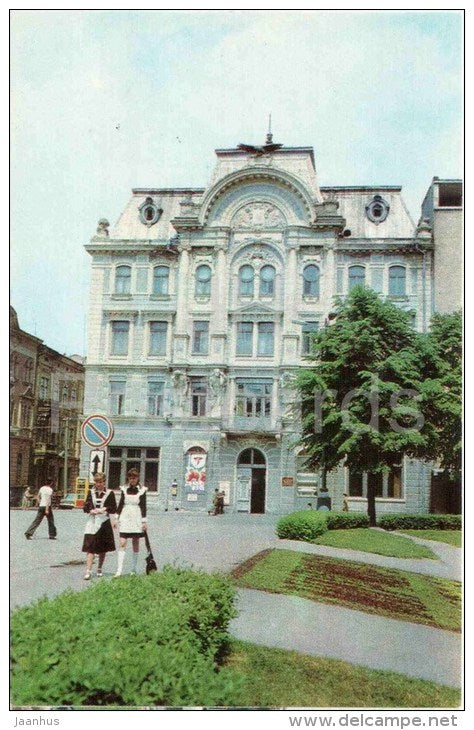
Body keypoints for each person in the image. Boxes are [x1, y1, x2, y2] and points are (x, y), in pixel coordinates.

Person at [81, 472, 117, 580]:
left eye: (101, 482)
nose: (99, 484)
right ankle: (88, 571)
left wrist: (104, 509)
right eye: (97, 482)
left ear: (104, 482)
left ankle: (100, 568)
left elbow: (113, 507)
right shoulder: (91, 492)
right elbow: (85, 506)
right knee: (90, 547)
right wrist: (90, 510)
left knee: (102, 548)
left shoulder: (110, 493)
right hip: (92, 522)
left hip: (104, 522)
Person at [114, 468, 147, 577]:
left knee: (135, 543)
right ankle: (119, 570)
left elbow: (143, 506)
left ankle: (133, 569)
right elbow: (120, 504)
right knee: (122, 542)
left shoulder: (142, 490)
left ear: (138, 478)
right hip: (125, 517)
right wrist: (116, 518)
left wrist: (144, 522)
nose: (132, 480)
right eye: (130, 478)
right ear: (128, 478)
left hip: (136, 517)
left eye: (134, 478)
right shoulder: (124, 489)